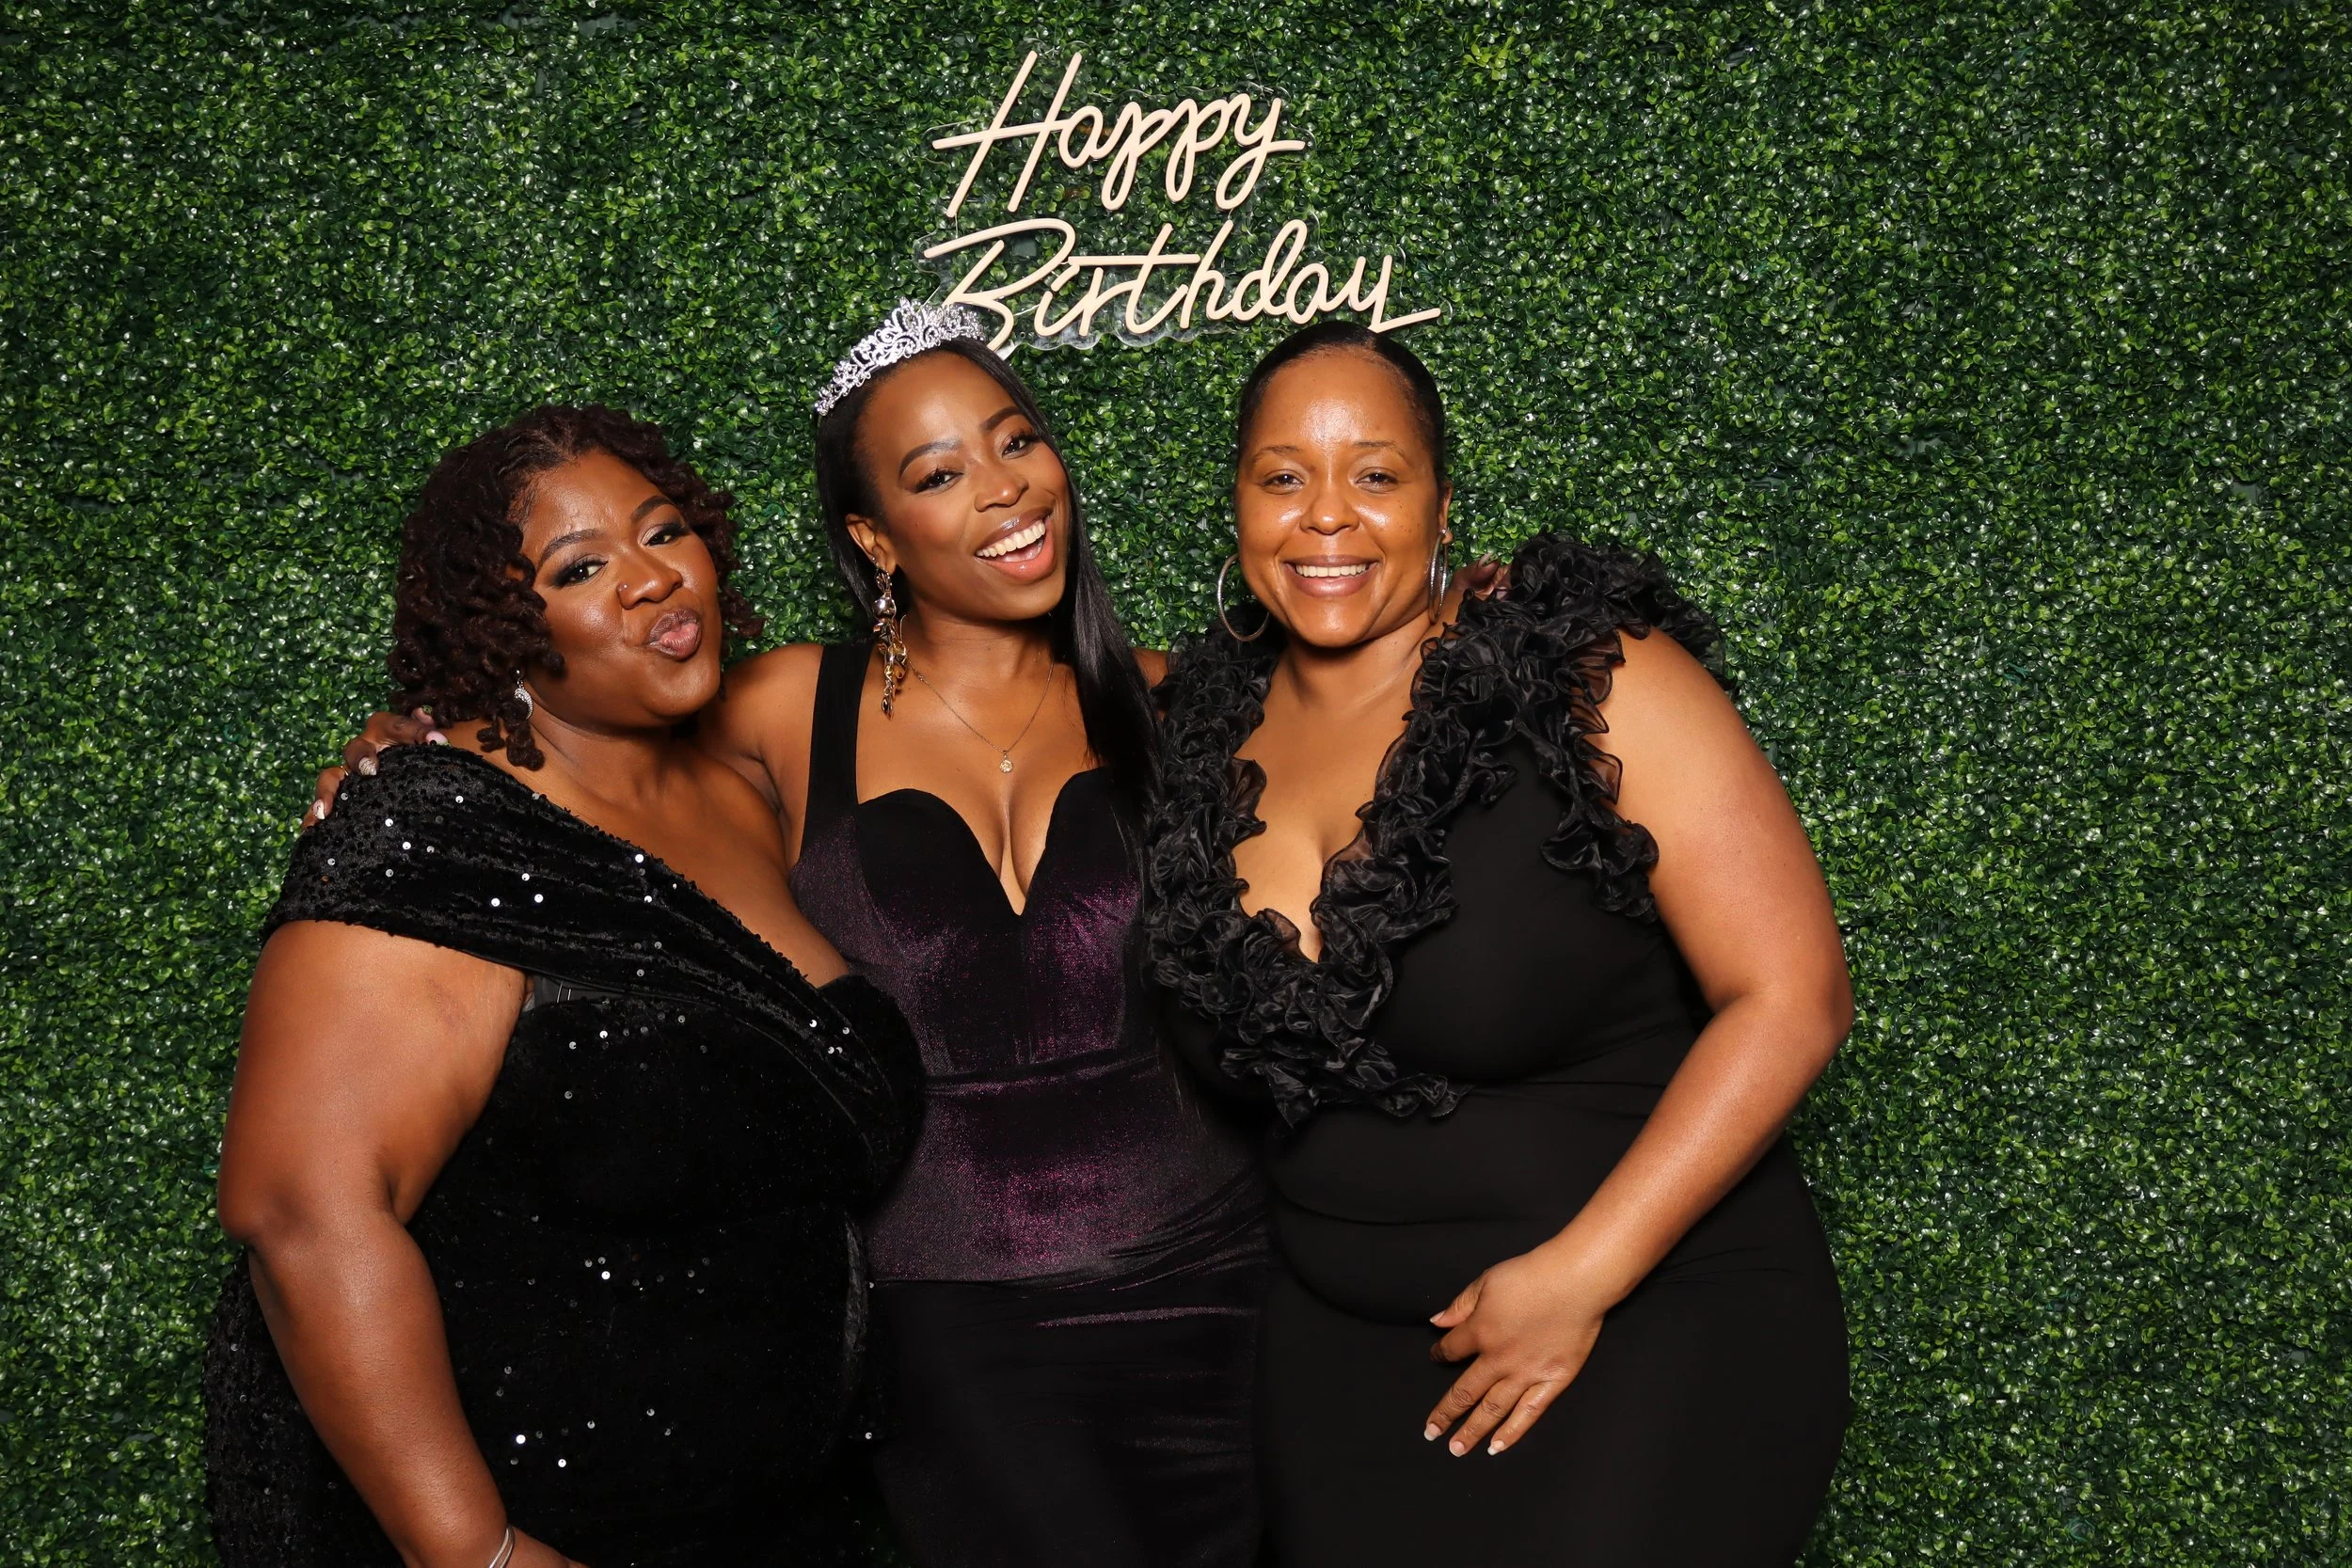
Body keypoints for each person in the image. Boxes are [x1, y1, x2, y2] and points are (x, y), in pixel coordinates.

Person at [314, 304, 1266, 1568]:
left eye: (1016, 441)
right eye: (938, 473)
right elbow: (571, 770)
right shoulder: (777, 709)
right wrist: (419, 736)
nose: (1002, 492)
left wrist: (1468, 603)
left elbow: (1374, 735)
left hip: (1222, 1292)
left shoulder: (1170, 698)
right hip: (952, 1330)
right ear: (875, 535)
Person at [1140, 322, 1852, 1566]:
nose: (1326, 517)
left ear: (1441, 505)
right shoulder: (1194, 726)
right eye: (1282, 475)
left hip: (1644, 1314)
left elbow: (1792, 994)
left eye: (1375, 473)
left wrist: (1581, 1274)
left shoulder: (1587, 679)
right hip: (1342, 1356)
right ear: (1239, 505)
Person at [207, 406, 923, 1568]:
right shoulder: (434, 827)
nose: (649, 578)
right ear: (502, 625)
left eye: (663, 531)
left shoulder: (742, 791)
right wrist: (474, 1547)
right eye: (582, 566)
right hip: (554, 1530)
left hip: (781, 1509)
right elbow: (301, 1210)